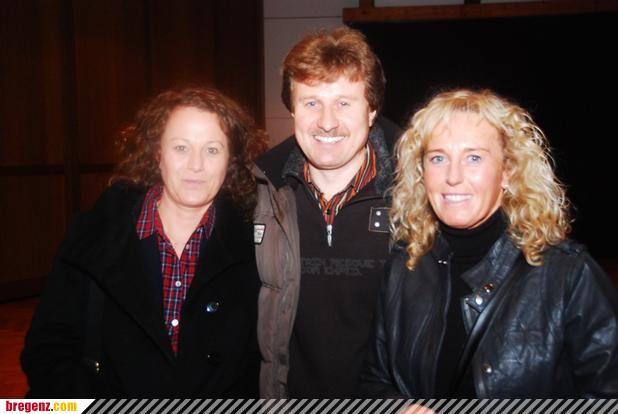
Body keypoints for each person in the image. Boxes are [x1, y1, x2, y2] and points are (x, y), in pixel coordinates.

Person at [360, 88, 618, 398]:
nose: (453, 176)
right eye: (438, 158)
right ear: (422, 172)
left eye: (474, 158)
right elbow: (373, 380)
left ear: (507, 172)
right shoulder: (405, 266)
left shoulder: (568, 275)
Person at [21, 87, 268, 397]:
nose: (196, 165)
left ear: (230, 160)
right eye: (181, 147)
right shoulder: (94, 236)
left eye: (212, 150)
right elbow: (48, 350)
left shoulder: (258, 246)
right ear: (156, 154)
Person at [254, 26, 401, 398]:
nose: (327, 121)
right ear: (292, 109)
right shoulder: (260, 196)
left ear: (372, 110)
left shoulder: (417, 198)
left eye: (344, 103)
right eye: (311, 103)